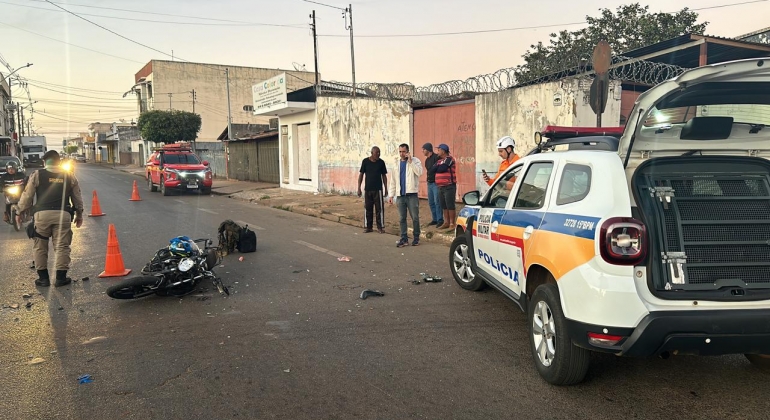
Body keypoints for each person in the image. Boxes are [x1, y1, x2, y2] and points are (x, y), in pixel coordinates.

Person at [14, 150, 85, 287]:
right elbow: (77, 198)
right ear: (59, 161)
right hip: (63, 215)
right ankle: (60, 278)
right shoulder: (69, 176)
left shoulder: (37, 175)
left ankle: (43, 279)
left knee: (40, 247)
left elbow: (27, 196)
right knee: (62, 246)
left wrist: (19, 213)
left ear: (45, 162)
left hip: (42, 216)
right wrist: (79, 214)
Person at [388, 143, 423, 247]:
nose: (401, 154)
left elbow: (419, 172)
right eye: (400, 151)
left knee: (415, 217)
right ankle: (404, 238)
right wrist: (391, 195)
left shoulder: (415, 161)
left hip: (411, 194)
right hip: (400, 195)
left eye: (403, 151)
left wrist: (411, 161)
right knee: (402, 218)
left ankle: (416, 237)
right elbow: (393, 181)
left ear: (407, 152)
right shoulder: (396, 164)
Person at [357, 146, 388, 234]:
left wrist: (386, 188)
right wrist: (359, 187)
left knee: (379, 209)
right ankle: (368, 227)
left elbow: (384, 176)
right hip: (368, 189)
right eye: (376, 153)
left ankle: (380, 227)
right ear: (372, 153)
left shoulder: (381, 163)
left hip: (378, 189)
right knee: (368, 208)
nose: (378, 154)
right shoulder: (365, 162)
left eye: (379, 152)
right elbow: (361, 175)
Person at [434, 144, 457, 230]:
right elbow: (432, 169)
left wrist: (437, 168)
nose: (438, 152)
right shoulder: (439, 161)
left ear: (443, 151)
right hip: (440, 186)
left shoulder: (449, 159)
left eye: (439, 150)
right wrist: (436, 168)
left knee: (450, 204)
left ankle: (452, 223)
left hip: (449, 185)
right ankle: (446, 222)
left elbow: (442, 169)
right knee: (443, 205)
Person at [422, 142, 443, 227]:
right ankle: (434, 219)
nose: (422, 151)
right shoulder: (427, 160)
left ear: (428, 150)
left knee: (437, 202)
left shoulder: (436, 158)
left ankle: (440, 220)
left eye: (424, 149)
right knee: (431, 202)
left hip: (436, 183)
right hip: (429, 183)